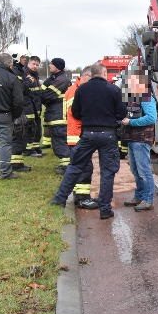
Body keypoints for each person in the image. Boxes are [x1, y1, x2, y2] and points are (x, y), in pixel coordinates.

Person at [50, 62, 127, 219]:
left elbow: (76, 113)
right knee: (107, 172)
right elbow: (121, 113)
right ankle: (105, 209)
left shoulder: (81, 90)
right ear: (104, 74)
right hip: (108, 135)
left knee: (75, 166)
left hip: (87, 134)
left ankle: (59, 199)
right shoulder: (114, 90)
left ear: (91, 74)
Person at [121, 69, 157, 211]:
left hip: (142, 139)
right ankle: (140, 196)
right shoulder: (132, 96)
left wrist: (130, 122)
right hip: (132, 138)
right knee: (136, 170)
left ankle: (147, 199)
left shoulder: (146, 97)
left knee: (143, 170)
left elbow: (151, 118)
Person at [65, 66, 98, 210]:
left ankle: (80, 196)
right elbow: (77, 113)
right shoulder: (76, 91)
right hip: (77, 135)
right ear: (85, 76)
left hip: (75, 134)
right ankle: (82, 198)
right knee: (84, 167)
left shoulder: (75, 89)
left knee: (82, 166)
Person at [41, 58, 71, 173]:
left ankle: (66, 167)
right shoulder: (54, 79)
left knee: (60, 141)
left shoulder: (62, 80)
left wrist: (42, 94)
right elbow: (41, 91)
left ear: (57, 66)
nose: (49, 65)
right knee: (57, 142)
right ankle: (65, 165)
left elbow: (45, 96)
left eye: (51, 64)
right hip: (55, 115)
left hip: (59, 116)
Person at [9, 54, 32, 172]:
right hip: (16, 108)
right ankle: (15, 164)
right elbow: (19, 89)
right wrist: (27, 82)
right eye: (23, 58)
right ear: (16, 58)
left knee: (20, 134)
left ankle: (18, 163)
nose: (25, 60)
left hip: (20, 107)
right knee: (17, 133)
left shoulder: (20, 70)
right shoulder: (15, 72)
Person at [25, 56, 44, 157]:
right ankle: (28, 150)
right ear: (28, 63)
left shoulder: (35, 75)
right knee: (29, 128)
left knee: (37, 129)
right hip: (28, 106)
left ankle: (36, 148)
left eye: (37, 64)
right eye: (33, 64)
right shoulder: (25, 74)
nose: (35, 66)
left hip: (36, 106)